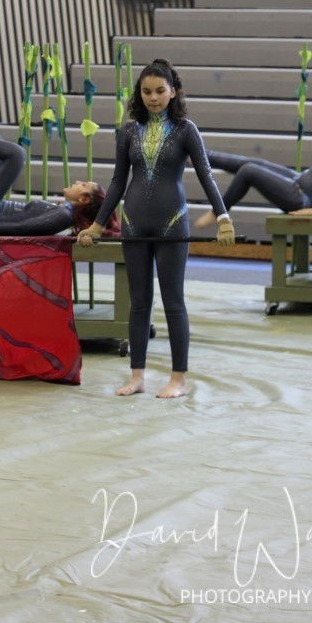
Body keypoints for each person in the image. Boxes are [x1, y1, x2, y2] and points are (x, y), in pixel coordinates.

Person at [77, 59, 235, 399]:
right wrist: (97, 225)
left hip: (172, 223)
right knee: (138, 303)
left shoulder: (185, 129)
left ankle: (178, 379)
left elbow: (206, 174)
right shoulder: (128, 131)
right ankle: (137, 376)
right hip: (134, 224)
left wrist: (223, 218)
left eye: (160, 91)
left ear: (173, 92)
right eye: (147, 91)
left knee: (173, 301)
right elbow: (117, 182)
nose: (153, 98)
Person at [0, 54, 120, 237]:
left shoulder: (64, 215)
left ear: (83, 199)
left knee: (17, 155)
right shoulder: (64, 211)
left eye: (83, 184)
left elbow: (22, 228)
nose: (77, 181)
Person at [193, 120, 312, 227]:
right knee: (257, 163)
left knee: (249, 171)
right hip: (297, 181)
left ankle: (219, 212)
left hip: (299, 197)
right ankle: (200, 155)